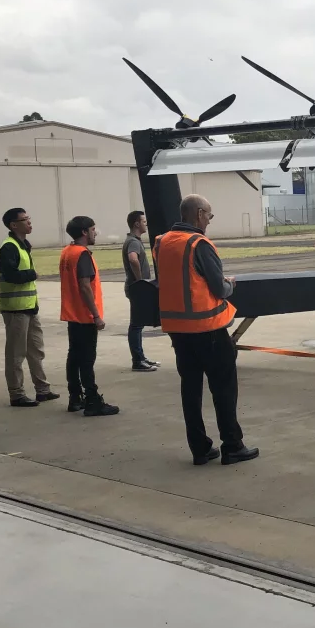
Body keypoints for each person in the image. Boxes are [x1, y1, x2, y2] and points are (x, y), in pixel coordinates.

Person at [156, 194, 258, 466]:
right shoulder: (199, 244)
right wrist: (229, 285)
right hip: (208, 330)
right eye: (209, 216)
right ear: (199, 214)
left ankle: (200, 448)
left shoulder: (162, 243)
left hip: (177, 330)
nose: (209, 222)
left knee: (190, 390)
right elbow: (217, 287)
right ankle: (232, 445)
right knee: (224, 389)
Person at [0, 207, 59, 408]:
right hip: (15, 309)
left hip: (29, 307)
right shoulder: (9, 247)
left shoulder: (23, 245)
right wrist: (32, 274)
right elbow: (10, 275)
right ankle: (16, 394)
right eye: (25, 220)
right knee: (16, 353)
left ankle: (42, 389)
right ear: (14, 225)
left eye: (29, 218)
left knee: (36, 349)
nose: (29, 222)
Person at [59, 216, 119, 417]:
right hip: (85, 315)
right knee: (86, 360)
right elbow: (85, 287)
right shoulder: (82, 254)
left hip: (72, 313)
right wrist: (96, 315)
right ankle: (93, 400)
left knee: (74, 357)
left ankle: (75, 397)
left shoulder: (67, 252)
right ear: (85, 232)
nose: (96, 233)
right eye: (93, 229)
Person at [122, 210, 159, 372]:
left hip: (135, 287)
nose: (146, 224)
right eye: (144, 221)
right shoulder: (134, 242)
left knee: (137, 324)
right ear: (136, 223)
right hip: (136, 287)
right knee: (136, 325)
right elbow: (132, 259)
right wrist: (140, 281)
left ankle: (141, 357)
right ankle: (137, 360)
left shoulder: (133, 240)